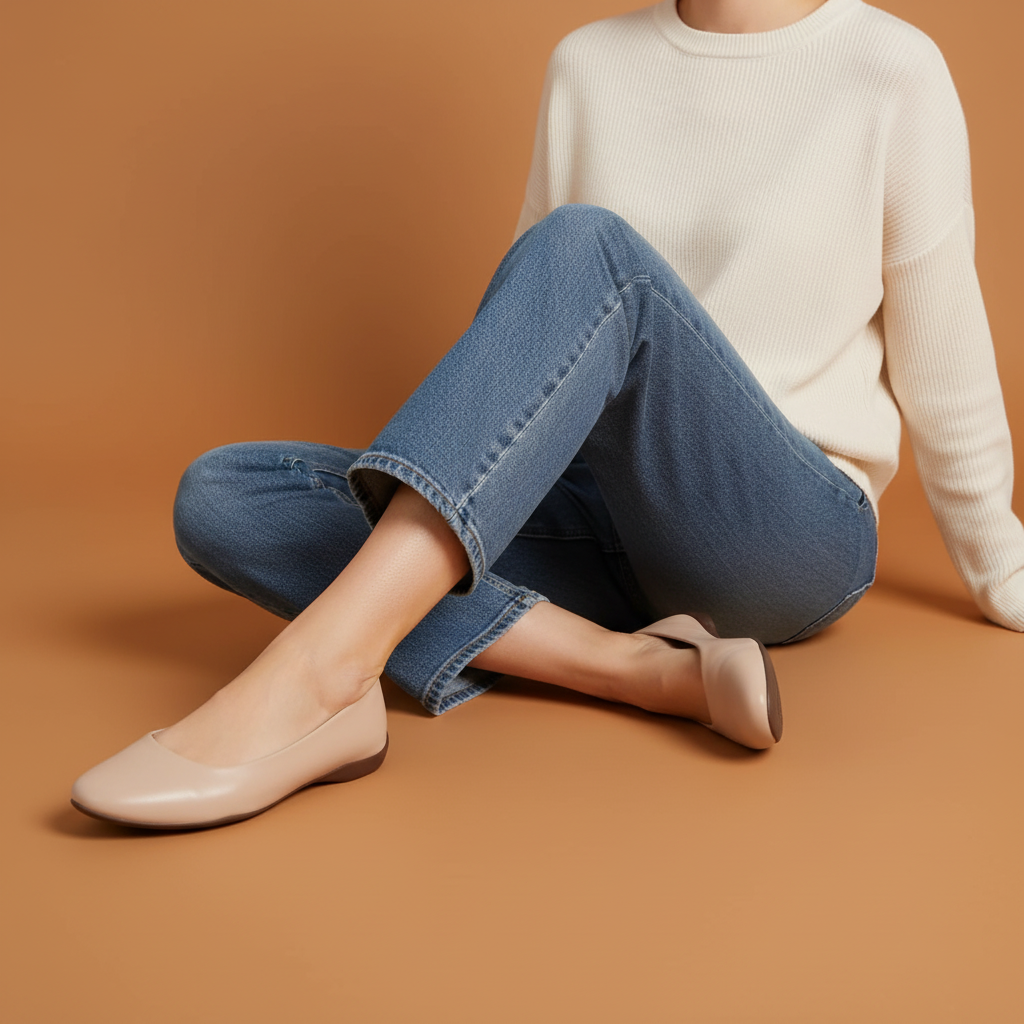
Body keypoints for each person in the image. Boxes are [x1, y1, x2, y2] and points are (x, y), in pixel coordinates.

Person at [71, 0, 1024, 829]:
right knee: (227, 494)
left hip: (782, 532)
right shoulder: (590, 64)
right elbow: (532, 329)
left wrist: (1002, 563)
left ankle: (319, 678)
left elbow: (946, 351)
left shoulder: (890, 69)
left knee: (588, 249)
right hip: (600, 519)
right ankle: (631, 668)